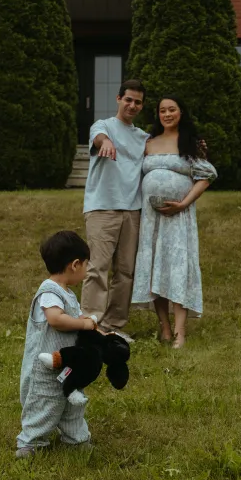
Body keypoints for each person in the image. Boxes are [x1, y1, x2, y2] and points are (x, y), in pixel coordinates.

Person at [131, 96, 217, 349]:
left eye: (172, 110)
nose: (167, 114)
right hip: (151, 218)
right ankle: (165, 329)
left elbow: (207, 175)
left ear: (181, 112)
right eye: (162, 110)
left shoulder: (190, 143)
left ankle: (180, 332)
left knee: (176, 269)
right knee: (154, 267)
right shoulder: (148, 143)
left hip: (179, 217)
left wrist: (184, 203)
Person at [16, 230, 101, 458]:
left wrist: (90, 324)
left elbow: (74, 318)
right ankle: (31, 442)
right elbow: (55, 319)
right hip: (46, 369)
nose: (86, 270)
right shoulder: (49, 292)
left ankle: (76, 439)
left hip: (68, 367)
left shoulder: (68, 293)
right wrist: (81, 325)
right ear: (75, 265)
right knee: (44, 404)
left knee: (73, 405)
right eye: (86, 265)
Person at [82, 79, 149, 340]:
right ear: (119, 99)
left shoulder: (143, 137)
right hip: (102, 208)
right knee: (97, 268)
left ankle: (113, 326)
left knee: (125, 271)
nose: (132, 105)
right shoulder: (104, 126)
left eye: (138, 102)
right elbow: (98, 138)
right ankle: (91, 326)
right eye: (128, 99)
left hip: (132, 210)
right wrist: (105, 143)